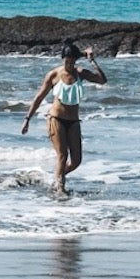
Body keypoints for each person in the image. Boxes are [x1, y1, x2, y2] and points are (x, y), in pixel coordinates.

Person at [21, 38, 107, 193]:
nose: (70, 65)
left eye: (72, 62)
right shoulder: (53, 75)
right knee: (62, 155)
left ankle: (56, 178)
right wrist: (27, 119)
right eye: (67, 62)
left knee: (76, 161)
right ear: (63, 59)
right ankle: (60, 189)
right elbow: (39, 97)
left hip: (73, 121)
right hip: (56, 119)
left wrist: (92, 61)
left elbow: (102, 80)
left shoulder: (80, 73)